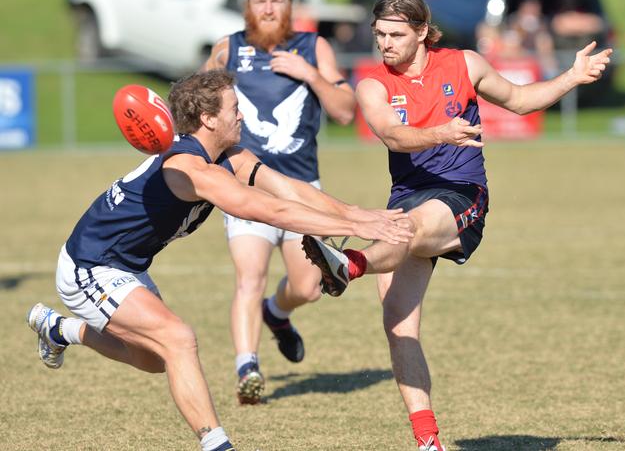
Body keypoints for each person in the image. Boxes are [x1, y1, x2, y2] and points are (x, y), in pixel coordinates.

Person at [26, 69, 412, 451]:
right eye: (234, 108)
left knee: (156, 360)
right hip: (91, 266)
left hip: (127, 267)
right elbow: (270, 211)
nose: (242, 114)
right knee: (178, 340)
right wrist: (355, 224)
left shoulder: (229, 156)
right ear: (209, 119)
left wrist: (358, 214)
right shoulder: (186, 168)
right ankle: (217, 444)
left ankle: (61, 330)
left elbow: (290, 190)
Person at [301, 0, 612, 451]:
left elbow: (521, 100)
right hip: (407, 196)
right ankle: (428, 441)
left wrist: (571, 76)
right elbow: (392, 134)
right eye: (379, 33)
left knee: (411, 228)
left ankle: (348, 266)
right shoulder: (372, 83)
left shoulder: (464, 64)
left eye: (395, 34)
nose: (384, 43)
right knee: (398, 324)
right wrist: (440, 132)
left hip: (462, 196)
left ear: (422, 32)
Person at [201, 0, 356, 404]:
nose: (268, 8)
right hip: (245, 189)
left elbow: (345, 111)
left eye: (277, 0)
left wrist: (310, 74)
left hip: (301, 187)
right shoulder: (227, 49)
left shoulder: (313, 47)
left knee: (309, 286)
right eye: (260, 1)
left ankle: (277, 312)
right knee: (249, 276)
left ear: (291, 6)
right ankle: (246, 368)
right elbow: (195, 106)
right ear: (247, 6)